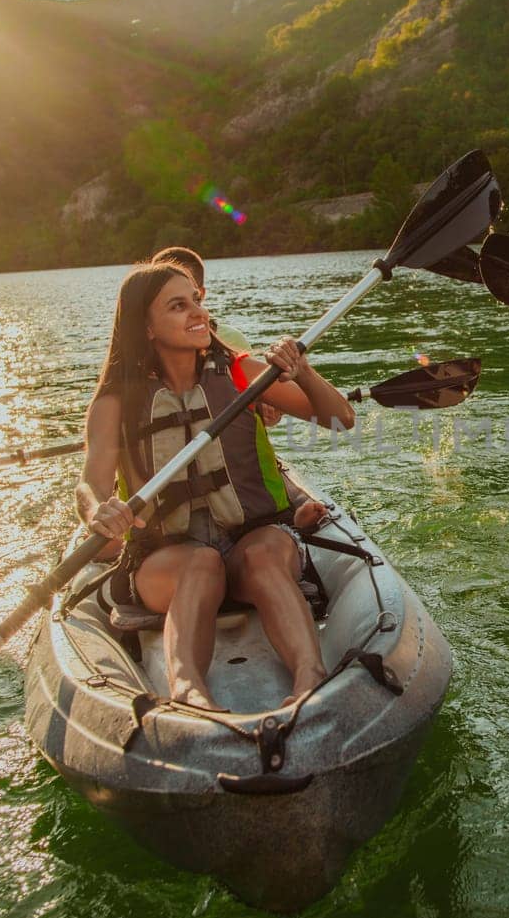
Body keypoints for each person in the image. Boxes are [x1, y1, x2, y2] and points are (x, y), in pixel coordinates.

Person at [78, 260, 355, 710]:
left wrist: (301, 371)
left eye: (196, 303)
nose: (197, 314)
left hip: (253, 538)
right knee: (201, 563)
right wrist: (97, 511)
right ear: (146, 327)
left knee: (266, 555)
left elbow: (340, 419)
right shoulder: (115, 402)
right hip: (165, 559)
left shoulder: (243, 373)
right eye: (177, 306)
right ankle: (188, 692)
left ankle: (310, 676)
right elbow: (88, 486)